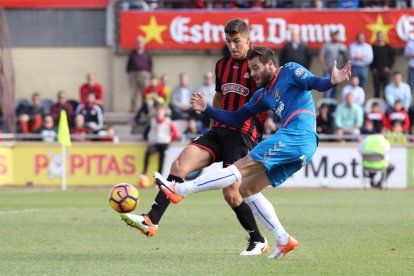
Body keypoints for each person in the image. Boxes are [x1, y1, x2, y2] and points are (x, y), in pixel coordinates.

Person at [154, 46, 351, 259]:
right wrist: (207, 109)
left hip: (297, 134)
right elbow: (236, 118)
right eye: (250, 69)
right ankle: (283, 239)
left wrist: (332, 80)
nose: (252, 73)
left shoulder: (290, 70)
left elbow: (314, 83)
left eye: (255, 68)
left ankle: (181, 190)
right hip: (301, 147)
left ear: (269, 64)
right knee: (246, 188)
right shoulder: (263, 95)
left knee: (240, 167)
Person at [120, 19, 272, 256]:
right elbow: (220, 97)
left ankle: (258, 240)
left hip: (243, 135)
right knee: (179, 164)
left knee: (232, 193)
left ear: (248, 40)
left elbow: (269, 97)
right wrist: (212, 124)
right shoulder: (222, 65)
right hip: (218, 131)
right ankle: (151, 220)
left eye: (237, 41)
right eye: (229, 41)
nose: (232, 46)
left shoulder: (257, 67)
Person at [139, 104, 180, 187]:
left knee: (161, 161)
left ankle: (157, 181)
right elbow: (146, 132)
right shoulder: (153, 121)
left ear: (164, 112)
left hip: (164, 143)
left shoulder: (168, 121)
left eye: (161, 111)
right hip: (155, 142)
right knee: (148, 152)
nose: (159, 113)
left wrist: (169, 140)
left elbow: (175, 134)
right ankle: (144, 172)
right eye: (158, 111)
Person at [319, 30, 347, 99]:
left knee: (336, 90)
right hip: (329, 71)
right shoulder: (326, 45)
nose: (336, 37)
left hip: (339, 72)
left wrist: (344, 68)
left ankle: (333, 107)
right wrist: (324, 67)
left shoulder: (342, 47)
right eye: (335, 35)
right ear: (332, 36)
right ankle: (325, 107)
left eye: (338, 35)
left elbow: (347, 58)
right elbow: (321, 56)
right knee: (327, 90)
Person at [126, 35, 152, 112]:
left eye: (140, 42)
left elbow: (150, 65)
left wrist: (148, 74)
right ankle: (133, 109)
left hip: (144, 75)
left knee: (145, 93)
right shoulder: (132, 53)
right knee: (134, 93)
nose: (139, 44)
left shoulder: (147, 53)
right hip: (133, 74)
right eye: (138, 42)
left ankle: (145, 109)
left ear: (144, 43)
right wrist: (130, 73)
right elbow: (129, 64)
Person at [370, 31, 395, 99]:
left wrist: (389, 67)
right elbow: (370, 58)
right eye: (378, 36)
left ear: (383, 36)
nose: (380, 37)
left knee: (386, 89)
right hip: (376, 72)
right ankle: (376, 107)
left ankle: (385, 106)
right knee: (377, 90)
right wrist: (372, 68)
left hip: (385, 72)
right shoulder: (373, 47)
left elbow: (392, 58)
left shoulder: (388, 47)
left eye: (381, 36)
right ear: (377, 37)